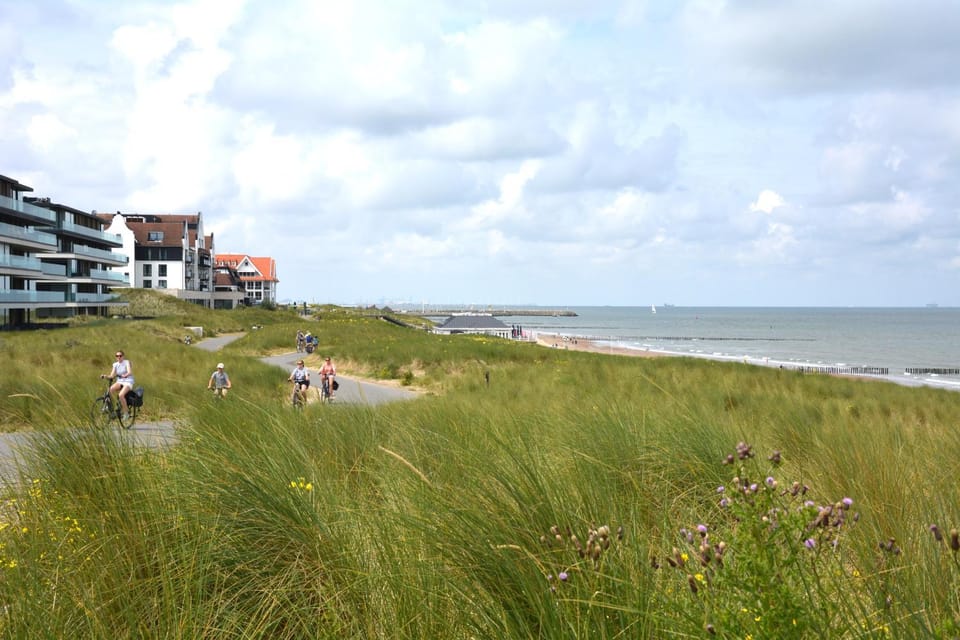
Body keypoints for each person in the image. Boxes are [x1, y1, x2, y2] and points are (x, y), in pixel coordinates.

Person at [100, 350, 134, 419]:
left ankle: (126, 412)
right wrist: (105, 376)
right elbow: (112, 375)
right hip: (120, 381)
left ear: (123, 356)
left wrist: (125, 375)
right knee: (109, 390)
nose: (119, 357)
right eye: (117, 356)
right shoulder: (115, 364)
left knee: (121, 395)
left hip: (128, 381)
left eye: (120, 356)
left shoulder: (126, 362)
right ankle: (110, 407)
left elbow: (130, 372)